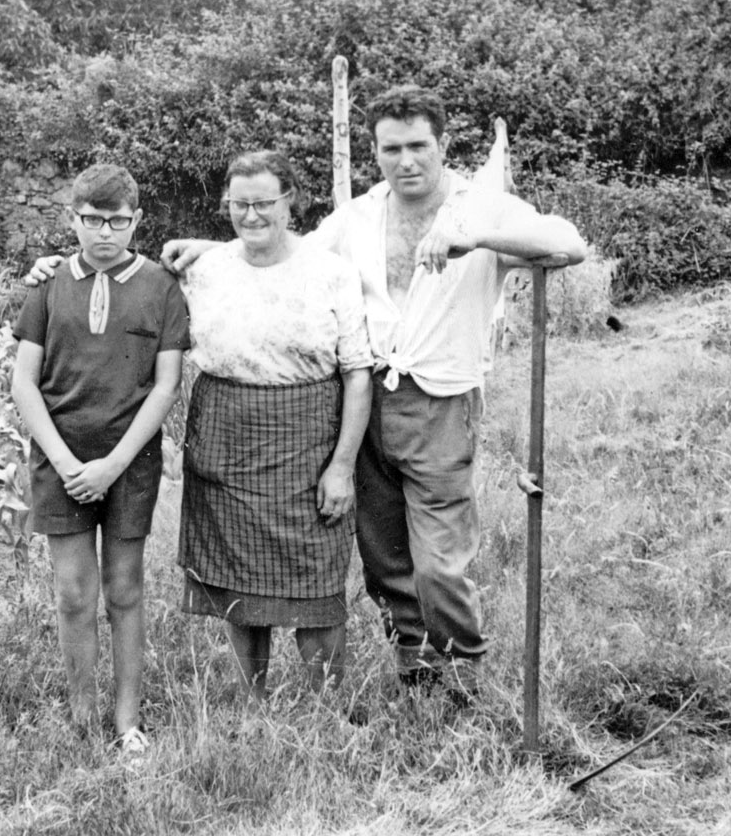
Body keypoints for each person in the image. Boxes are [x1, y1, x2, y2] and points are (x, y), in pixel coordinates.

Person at [153, 85, 588, 702]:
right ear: (375, 152)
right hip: (360, 404)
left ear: (443, 144)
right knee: (384, 556)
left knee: (438, 563)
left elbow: (569, 243)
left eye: (418, 146)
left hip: (439, 401)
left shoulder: (481, 208)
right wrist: (213, 251)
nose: (405, 161)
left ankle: (461, 672)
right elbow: (290, 255)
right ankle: (417, 675)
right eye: (391, 149)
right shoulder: (358, 217)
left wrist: (478, 240)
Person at [176, 151, 372, 703]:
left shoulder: (330, 272)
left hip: (309, 442)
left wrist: (341, 467)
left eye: (264, 202)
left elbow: (358, 375)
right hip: (224, 441)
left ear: (291, 202)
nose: (251, 214)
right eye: (239, 203)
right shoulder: (206, 269)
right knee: (238, 580)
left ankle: (327, 708)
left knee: (317, 578)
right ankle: (252, 704)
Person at [10, 163, 190, 757]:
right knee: (72, 593)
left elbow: (165, 386)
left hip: (129, 461)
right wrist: (66, 463)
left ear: (136, 221)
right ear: (74, 220)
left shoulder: (160, 286)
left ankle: (126, 720)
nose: (104, 232)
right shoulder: (47, 284)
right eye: (92, 220)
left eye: (117, 221)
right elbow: (24, 384)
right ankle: (83, 716)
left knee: (124, 588)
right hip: (59, 460)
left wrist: (112, 464)